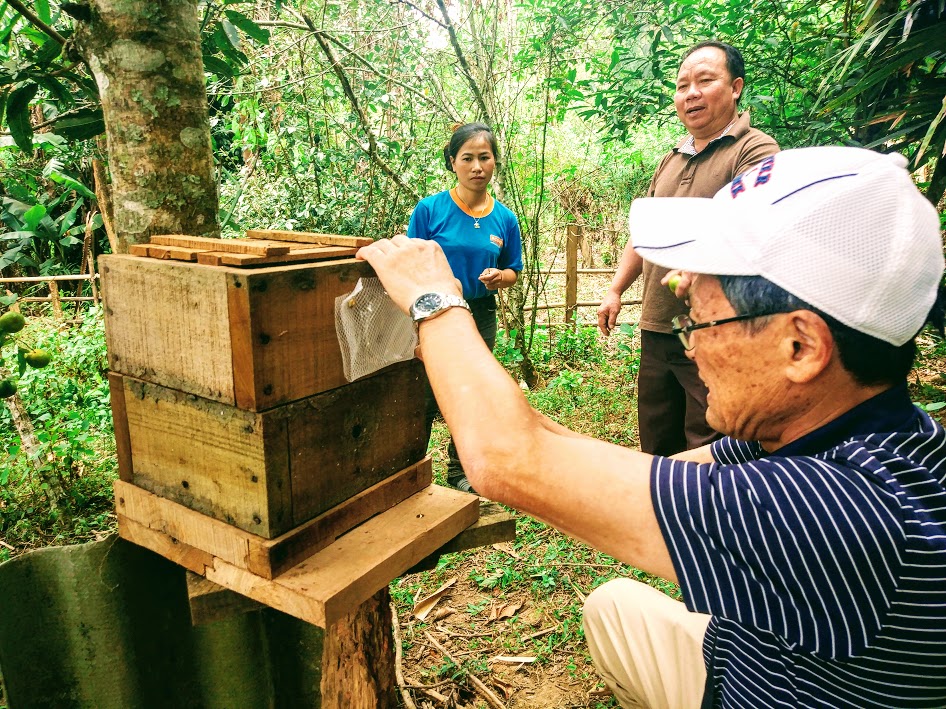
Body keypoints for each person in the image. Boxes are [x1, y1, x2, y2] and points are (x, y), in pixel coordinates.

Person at [357, 146, 946, 707]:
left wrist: (434, 302)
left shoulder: (844, 514)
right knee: (614, 607)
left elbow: (505, 459)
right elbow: (576, 457)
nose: (691, 348)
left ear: (801, 346)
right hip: (744, 665)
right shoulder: (853, 430)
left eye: (701, 322)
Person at [598, 41, 779, 456]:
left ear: (735, 87)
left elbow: (753, 227)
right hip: (658, 326)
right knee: (657, 436)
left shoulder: (754, 151)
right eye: (682, 86)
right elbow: (642, 233)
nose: (691, 93)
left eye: (705, 80)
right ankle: (659, 517)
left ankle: (708, 519)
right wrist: (615, 289)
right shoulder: (671, 159)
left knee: (710, 441)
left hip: (714, 329)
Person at [407, 122, 523, 492]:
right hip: (434, 314)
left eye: (484, 158)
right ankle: (410, 472)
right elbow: (412, 264)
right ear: (452, 162)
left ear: (494, 163)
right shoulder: (430, 210)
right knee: (424, 395)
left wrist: (499, 277)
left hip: (480, 314)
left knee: (469, 394)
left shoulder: (504, 218)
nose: (477, 167)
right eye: (468, 158)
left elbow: (514, 271)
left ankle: (460, 474)